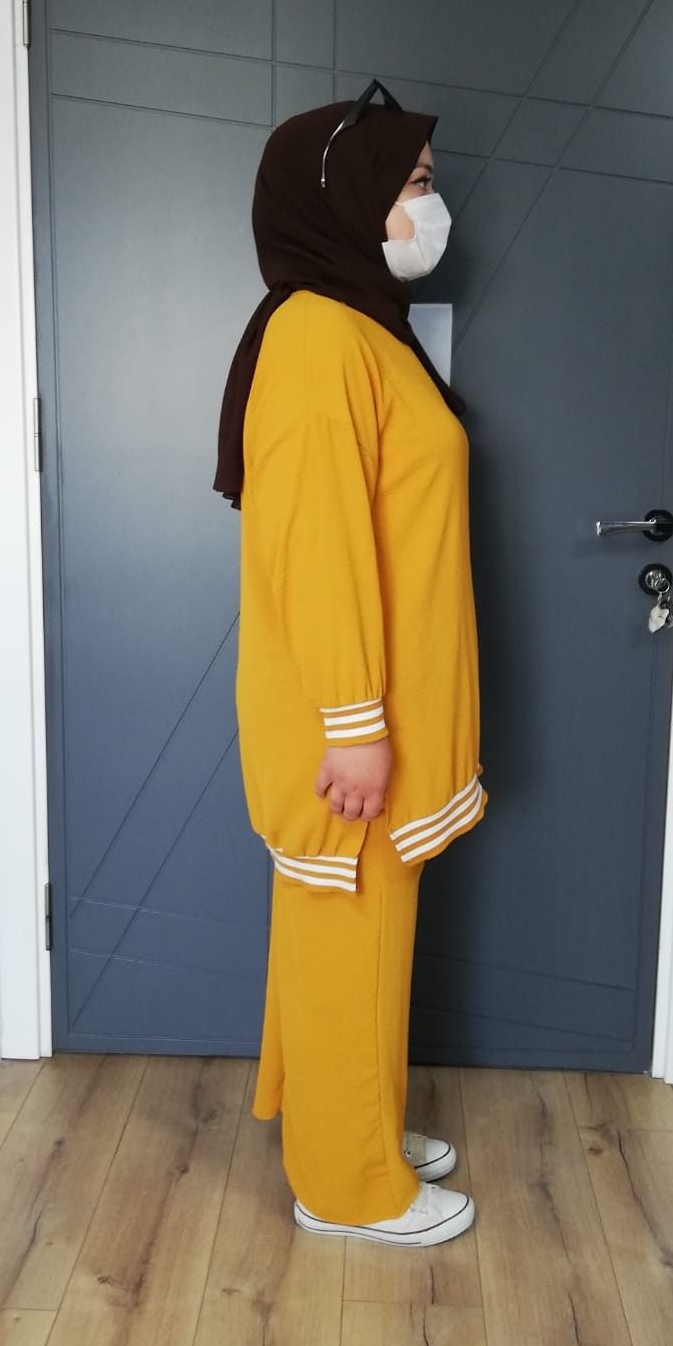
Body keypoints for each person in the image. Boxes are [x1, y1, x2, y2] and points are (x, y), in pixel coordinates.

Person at [213, 79, 488, 1248]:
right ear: (348, 193)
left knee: (357, 936)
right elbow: (316, 542)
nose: (432, 204)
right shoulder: (321, 338)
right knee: (351, 937)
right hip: (354, 723)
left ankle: (351, 1123)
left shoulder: (359, 326)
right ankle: (347, 1185)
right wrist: (353, 723)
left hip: (379, 707)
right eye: (415, 183)